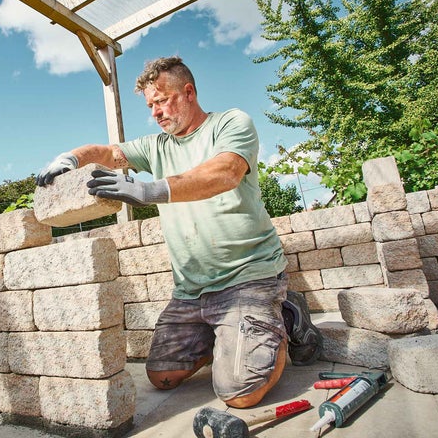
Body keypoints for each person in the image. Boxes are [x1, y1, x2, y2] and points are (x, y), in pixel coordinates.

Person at [36, 56, 322, 409]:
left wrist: (149, 190)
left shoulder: (230, 123)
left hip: (248, 279)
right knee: (162, 376)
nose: (156, 112)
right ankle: (231, 335)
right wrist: (70, 158)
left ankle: (284, 316)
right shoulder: (156, 146)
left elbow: (225, 172)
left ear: (188, 92)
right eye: (150, 105)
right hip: (192, 292)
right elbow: (108, 152)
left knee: (241, 393)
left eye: (162, 100)